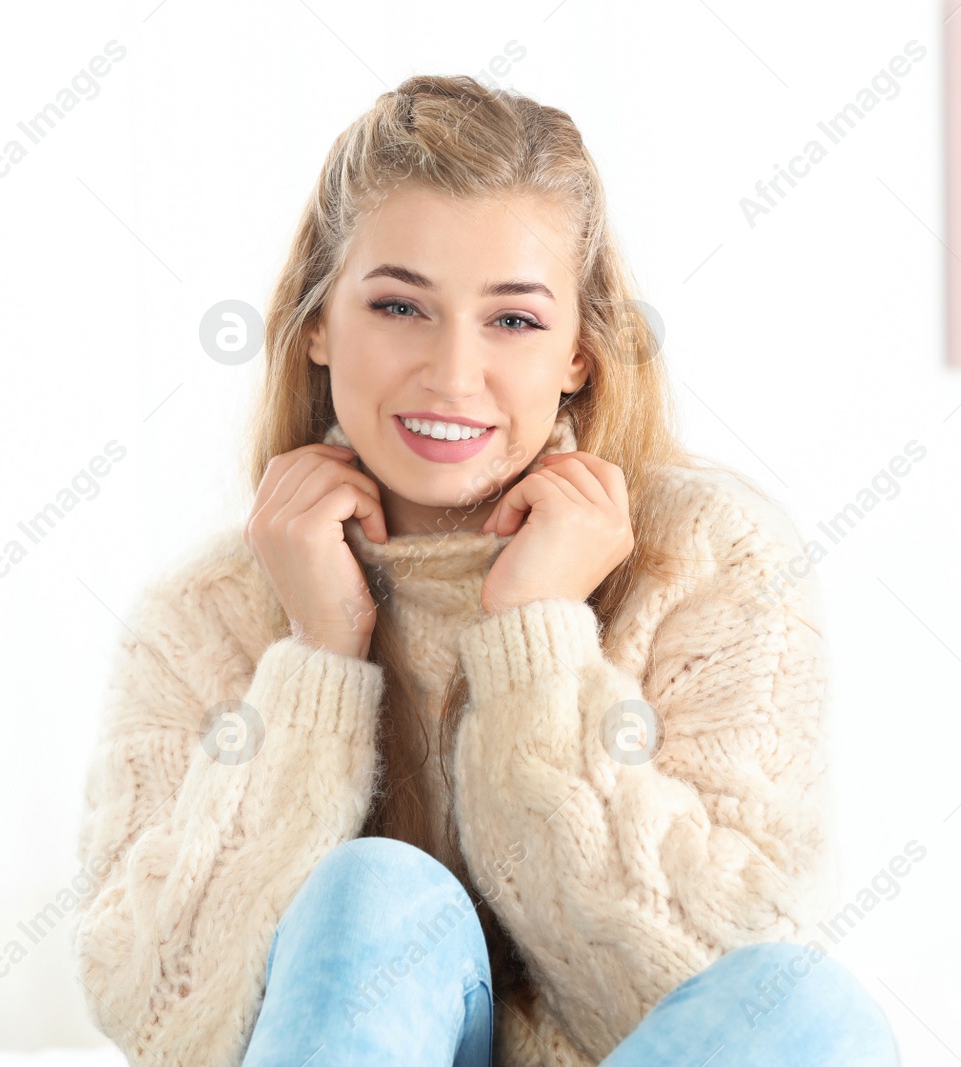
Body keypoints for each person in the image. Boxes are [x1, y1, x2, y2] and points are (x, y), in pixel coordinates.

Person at [72, 74, 900, 1066]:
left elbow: (708, 990)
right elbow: (159, 1012)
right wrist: (318, 661)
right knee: (373, 892)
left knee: (805, 1000)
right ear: (319, 324)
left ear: (580, 353)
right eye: (399, 306)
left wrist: (536, 641)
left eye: (511, 320)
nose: (453, 374)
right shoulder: (204, 610)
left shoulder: (712, 557)